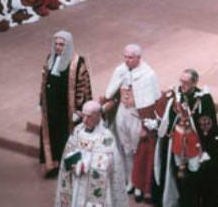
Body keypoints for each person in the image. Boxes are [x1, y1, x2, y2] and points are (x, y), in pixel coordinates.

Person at [154, 68, 218, 207]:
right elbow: (169, 118)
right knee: (178, 177)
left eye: (186, 82)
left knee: (193, 178)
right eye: (181, 81)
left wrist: (206, 148)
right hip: (177, 145)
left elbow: (208, 125)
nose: (182, 85)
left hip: (194, 147)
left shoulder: (203, 99)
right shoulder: (176, 95)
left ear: (194, 83)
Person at [101, 44, 161, 204]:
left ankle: (139, 184)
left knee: (137, 151)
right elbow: (111, 92)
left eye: (130, 57)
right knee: (125, 149)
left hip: (137, 115)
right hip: (122, 111)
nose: (126, 60)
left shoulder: (148, 74)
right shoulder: (120, 70)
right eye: (125, 57)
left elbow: (153, 99)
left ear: (138, 58)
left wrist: (145, 123)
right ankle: (129, 181)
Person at [54, 100, 129, 207]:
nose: (84, 120)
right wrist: (73, 162)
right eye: (83, 116)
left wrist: (85, 165)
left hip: (93, 183)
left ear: (98, 116)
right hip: (77, 180)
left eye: (89, 117)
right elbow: (69, 152)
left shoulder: (106, 137)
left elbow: (111, 162)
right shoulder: (77, 131)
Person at [40, 31, 94, 177]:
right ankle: (53, 166)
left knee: (66, 138)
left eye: (61, 44)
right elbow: (45, 82)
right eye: (56, 44)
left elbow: (83, 87)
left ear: (68, 45)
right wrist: (41, 101)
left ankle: (69, 167)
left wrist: (78, 110)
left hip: (67, 110)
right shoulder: (50, 58)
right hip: (51, 107)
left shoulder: (78, 63)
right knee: (52, 136)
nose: (58, 47)